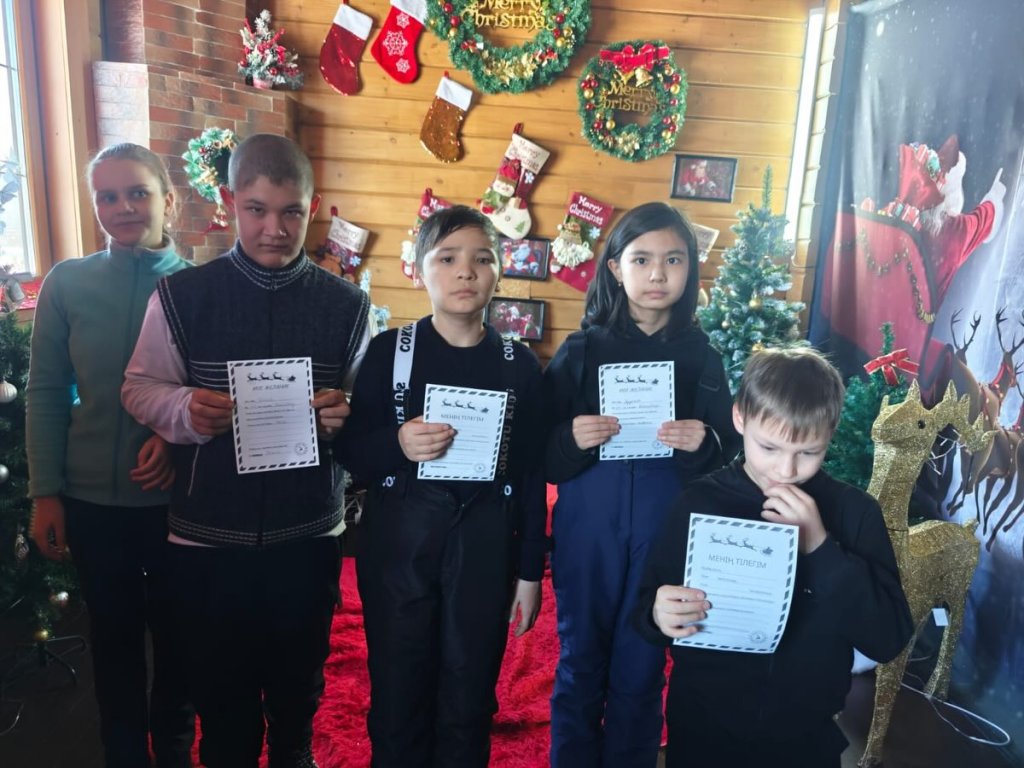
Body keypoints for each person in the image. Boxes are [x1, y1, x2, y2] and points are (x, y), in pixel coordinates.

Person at [121, 134, 371, 768]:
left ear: (314, 208)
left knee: (299, 688)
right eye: (257, 209)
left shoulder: (348, 306)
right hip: (207, 538)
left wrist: (344, 415)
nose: (274, 229)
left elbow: (366, 413)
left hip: (307, 534)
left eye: (291, 212)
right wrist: (183, 410)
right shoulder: (182, 296)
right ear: (230, 202)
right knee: (222, 696)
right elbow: (139, 387)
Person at [635, 347, 914, 768]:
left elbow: (887, 638)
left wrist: (820, 545)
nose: (785, 470)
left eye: (808, 452)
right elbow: (645, 610)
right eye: (768, 447)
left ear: (831, 432)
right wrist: (658, 613)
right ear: (739, 418)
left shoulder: (854, 514)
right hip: (702, 730)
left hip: (805, 740)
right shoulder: (697, 503)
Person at [338, 205, 546, 768]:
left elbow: (531, 476)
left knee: (468, 691)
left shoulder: (520, 365)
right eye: (448, 258)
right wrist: (397, 443)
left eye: (482, 259)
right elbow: (350, 452)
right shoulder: (389, 353)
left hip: (485, 547)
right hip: (400, 548)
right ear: (420, 269)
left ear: (499, 271)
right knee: (399, 687)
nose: (465, 272)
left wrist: (530, 571)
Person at [544, 201, 741, 767]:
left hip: (664, 532)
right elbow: (540, 456)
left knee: (644, 663)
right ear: (615, 268)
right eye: (642, 259)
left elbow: (729, 458)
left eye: (673, 260)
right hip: (588, 529)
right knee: (581, 660)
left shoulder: (704, 359)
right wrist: (570, 439)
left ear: (690, 269)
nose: (658, 274)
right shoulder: (581, 351)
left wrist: (704, 443)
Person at [26, 142, 195, 767]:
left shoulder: (199, 287)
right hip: (92, 502)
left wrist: (173, 437)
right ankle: (122, 754)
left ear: (168, 201)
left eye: (138, 193)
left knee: (180, 640)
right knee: (114, 640)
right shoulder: (67, 284)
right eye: (108, 196)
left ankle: (174, 750)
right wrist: (45, 493)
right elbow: (47, 390)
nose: (123, 207)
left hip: (179, 505)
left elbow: (215, 394)